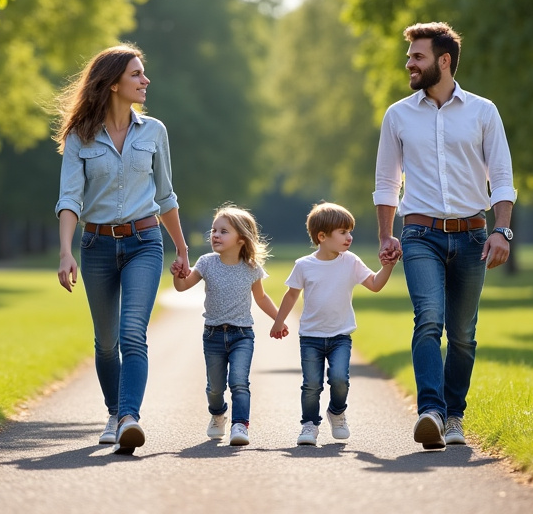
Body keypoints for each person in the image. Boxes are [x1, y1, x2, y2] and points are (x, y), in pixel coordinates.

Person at [374, 22, 516, 450]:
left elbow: (503, 177)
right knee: (428, 320)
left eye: (417, 56)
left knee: (463, 335)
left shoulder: (483, 111)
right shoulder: (398, 115)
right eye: (410, 56)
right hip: (419, 235)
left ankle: (454, 415)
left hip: (473, 235)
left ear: (444, 60)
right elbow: (386, 182)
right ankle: (431, 412)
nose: (409, 63)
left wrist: (502, 230)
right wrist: (385, 234)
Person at [55, 44, 190, 455]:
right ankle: (114, 413)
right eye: (136, 74)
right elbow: (69, 198)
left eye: (143, 74)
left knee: (133, 332)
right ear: (113, 83)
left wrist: (181, 249)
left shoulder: (154, 131)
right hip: (95, 245)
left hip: (144, 243)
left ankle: (130, 417)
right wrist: (65, 251)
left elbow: (165, 195)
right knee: (105, 341)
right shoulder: (81, 136)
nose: (145, 80)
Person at [270, 202, 394, 446]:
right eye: (342, 232)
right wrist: (279, 321)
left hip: (340, 336)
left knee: (339, 379)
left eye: (349, 231)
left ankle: (337, 412)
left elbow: (375, 284)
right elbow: (291, 295)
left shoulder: (351, 261)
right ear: (322, 236)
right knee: (311, 385)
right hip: (310, 337)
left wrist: (388, 266)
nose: (349, 237)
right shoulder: (304, 265)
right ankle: (309, 425)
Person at [169, 204, 280, 446]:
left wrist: (279, 319)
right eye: (213, 230)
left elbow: (261, 298)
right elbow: (182, 287)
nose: (215, 235)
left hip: (242, 335)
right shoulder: (207, 263)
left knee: (239, 381)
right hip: (213, 335)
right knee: (214, 388)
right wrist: (177, 273)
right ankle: (218, 415)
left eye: (223, 231)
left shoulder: (251, 268)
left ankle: (240, 425)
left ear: (241, 238)